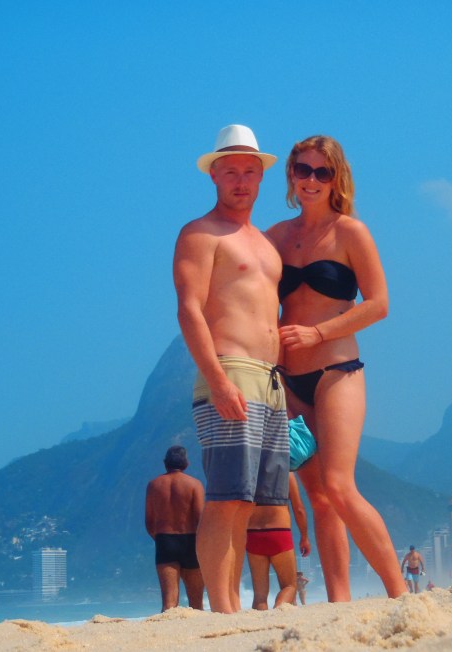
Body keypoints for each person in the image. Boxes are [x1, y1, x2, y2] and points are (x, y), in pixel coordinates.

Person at [267, 135, 406, 601]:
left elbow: (380, 304)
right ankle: (339, 603)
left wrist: (318, 334)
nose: (310, 180)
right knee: (319, 500)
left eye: (321, 173)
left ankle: (400, 594)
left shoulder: (351, 233)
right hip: (288, 381)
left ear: (335, 179)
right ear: (290, 175)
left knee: (340, 486)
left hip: (336, 370)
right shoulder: (275, 238)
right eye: (302, 170)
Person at [173, 124, 289, 613]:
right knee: (226, 497)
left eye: (249, 171)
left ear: (261, 178)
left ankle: (232, 605)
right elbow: (189, 309)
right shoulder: (200, 233)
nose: (241, 180)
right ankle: (222, 608)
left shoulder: (264, 244)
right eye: (231, 172)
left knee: (252, 503)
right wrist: (218, 380)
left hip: (270, 380)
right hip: (231, 371)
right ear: (214, 177)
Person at [144, 446, 205, 611]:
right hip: (190, 540)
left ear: (165, 463)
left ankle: (167, 635)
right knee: (196, 603)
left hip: (165, 541)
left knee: (169, 604)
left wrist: (161, 540)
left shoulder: (153, 485)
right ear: (186, 463)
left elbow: (149, 523)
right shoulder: (194, 484)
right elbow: (201, 520)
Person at [246, 473, 311, 609]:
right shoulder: (287, 474)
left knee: (260, 595)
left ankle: (260, 627)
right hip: (279, 533)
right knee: (289, 586)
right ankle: (278, 612)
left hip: (253, 534)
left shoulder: (251, 470)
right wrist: (304, 537)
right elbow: (298, 509)